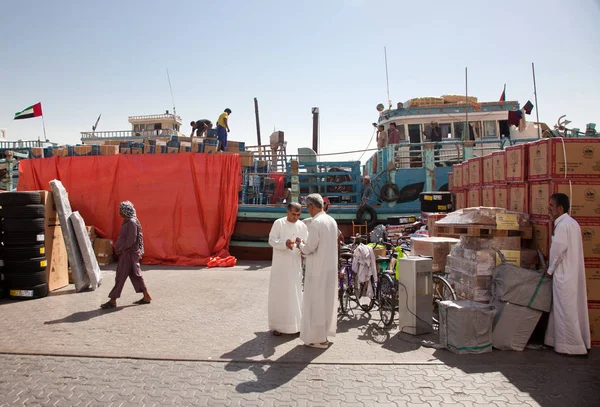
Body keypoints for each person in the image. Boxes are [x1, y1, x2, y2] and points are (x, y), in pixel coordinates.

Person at [544, 193, 591, 355]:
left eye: (551, 206)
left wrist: (550, 270)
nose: (549, 209)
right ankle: (555, 340)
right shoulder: (572, 223)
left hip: (564, 274)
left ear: (560, 208)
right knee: (564, 308)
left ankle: (570, 346)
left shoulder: (563, 226)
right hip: (571, 272)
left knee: (565, 310)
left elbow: (558, 250)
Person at [297, 193, 339, 349]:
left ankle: (317, 338)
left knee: (315, 303)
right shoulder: (331, 221)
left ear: (312, 207)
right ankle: (325, 335)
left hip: (317, 268)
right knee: (327, 301)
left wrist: (300, 244)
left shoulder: (316, 223)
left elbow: (310, 247)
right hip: (329, 267)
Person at [101, 201, 151, 309]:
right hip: (128, 253)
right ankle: (146, 296)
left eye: (121, 210)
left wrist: (121, 249)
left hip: (128, 254)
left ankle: (113, 300)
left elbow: (131, 240)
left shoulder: (131, 223)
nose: (120, 212)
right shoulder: (128, 221)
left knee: (120, 276)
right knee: (135, 276)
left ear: (126, 211)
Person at [268, 202, 308, 336]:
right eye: (293, 214)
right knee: (280, 293)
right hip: (280, 265)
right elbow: (272, 241)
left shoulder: (302, 226)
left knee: (295, 293)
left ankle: (296, 325)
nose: (296, 217)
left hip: (295, 265)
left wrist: (301, 244)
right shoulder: (279, 223)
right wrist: (284, 244)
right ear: (287, 211)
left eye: (298, 215)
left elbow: (305, 243)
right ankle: (279, 326)